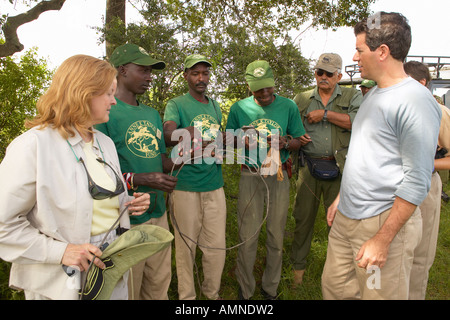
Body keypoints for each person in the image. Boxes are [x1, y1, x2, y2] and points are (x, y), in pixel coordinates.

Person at [0, 55, 150, 300]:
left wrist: (128, 204)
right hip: (59, 284)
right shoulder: (33, 145)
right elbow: (4, 226)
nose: (114, 100)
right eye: (108, 93)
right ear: (83, 93)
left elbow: (96, 204)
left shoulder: (105, 143)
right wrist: (61, 251)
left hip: (110, 273)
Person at [322, 12, 442, 300]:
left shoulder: (414, 101)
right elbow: (365, 155)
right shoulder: (374, 94)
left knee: (376, 294)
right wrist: (341, 198)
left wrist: (382, 239)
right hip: (347, 221)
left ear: (383, 52)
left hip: (380, 222)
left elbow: (417, 179)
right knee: (335, 290)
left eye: (360, 50)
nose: (354, 56)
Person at [95, 43, 177, 300]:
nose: (149, 77)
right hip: (127, 218)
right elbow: (97, 172)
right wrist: (142, 179)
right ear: (122, 70)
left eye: (151, 71)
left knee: (159, 283)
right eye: (143, 70)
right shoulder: (105, 113)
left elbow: (161, 160)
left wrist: (186, 156)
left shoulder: (152, 114)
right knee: (129, 287)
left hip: (158, 212)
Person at [226, 60, 305, 300]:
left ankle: (270, 288)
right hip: (250, 175)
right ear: (249, 86)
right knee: (247, 236)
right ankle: (245, 290)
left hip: (278, 175)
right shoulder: (239, 108)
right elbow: (228, 140)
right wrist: (244, 140)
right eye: (259, 88)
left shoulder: (288, 106)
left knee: (275, 235)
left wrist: (285, 143)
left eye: (269, 87)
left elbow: (299, 139)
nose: (265, 93)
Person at [290, 53, 362, 286]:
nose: (323, 77)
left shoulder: (353, 95)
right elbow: (289, 126)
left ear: (339, 76)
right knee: (302, 220)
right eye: (319, 72)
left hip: (340, 169)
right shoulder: (301, 98)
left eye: (329, 73)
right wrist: (296, 137)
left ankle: (338, 277)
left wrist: (326, 115)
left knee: (340, 224)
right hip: (308, 169)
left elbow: (359, 122)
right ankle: (297, 275)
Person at [163, 54, 226, 300]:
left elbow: (217, 141)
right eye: (195, 73)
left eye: (205, 73)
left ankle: (213, 295)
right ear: (186, 75)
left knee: (216, 248)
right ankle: (187, 298)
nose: (201, 78)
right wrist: (185, 132)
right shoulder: (176, 104)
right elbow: (168, 134)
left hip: (214, 185)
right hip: (185, 185)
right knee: (185, 248)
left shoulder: (214, 105)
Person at [403, 60, 450, 299]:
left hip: (426, 184)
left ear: (422, 83)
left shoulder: (440, 112)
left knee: (420, 254)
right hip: (397, 185)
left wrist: (427, 163)